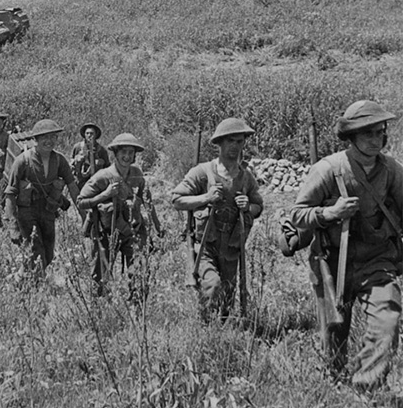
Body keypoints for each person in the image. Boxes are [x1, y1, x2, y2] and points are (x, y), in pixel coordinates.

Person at [288, 100, 402, 390]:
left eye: (381, 133)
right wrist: (330, 213)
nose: (377, 140)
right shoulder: (328, 169)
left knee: (386, 321)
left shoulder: (391, 170)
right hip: (332, 261)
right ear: (351, 138)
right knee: (334, 335)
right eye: (368, 134)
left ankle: (367, 388)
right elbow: (298, 215)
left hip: (377, 262)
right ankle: (336, 387)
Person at [172, 118, 263, 321]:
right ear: (220, 143)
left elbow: (259, 207)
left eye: (240, 142)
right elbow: (176, 200)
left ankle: (223, 333)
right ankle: (204, 327)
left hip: (231, 246)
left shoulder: (246, 178)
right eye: (231, 141)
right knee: (212, 285)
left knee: (228, 298)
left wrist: (248, 206)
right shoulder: (202, 173)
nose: (235, 147)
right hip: (206, 245)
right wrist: (205, 198)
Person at [5, 119, 80, 277]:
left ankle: (20, 278)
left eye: (53, 137)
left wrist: (85, 214)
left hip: (48, 211)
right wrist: (12, 226)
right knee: (35, 251)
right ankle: (36, 290)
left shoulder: (59, 160)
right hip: (27, 211)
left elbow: (73, 187)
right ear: (35, 140)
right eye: (44, 137)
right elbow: (10, 194)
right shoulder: (23, 161)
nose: (49, 141)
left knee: (48, 254)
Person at [77, 133, 149, 297]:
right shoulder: (103, 176)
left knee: (139, 271)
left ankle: (137, 307)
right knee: (100, 276)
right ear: (115, 154)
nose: (127, 156)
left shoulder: (137, 174)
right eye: (123, 152)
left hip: (131, 231)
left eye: (131, 153)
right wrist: (105, 195)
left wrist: (138, 204)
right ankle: (97, 310)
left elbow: (146, 198)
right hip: (107, 233)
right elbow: (81, 201)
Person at [71, 122, 110, 189]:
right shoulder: (78, 147)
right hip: (80, 178)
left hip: (96, 179)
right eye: (87, 133)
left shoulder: (101, 150)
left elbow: (107, 167)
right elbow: (71, 162)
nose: (89, 135)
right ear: (84, 134)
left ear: (95, 135)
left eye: (91, 133)